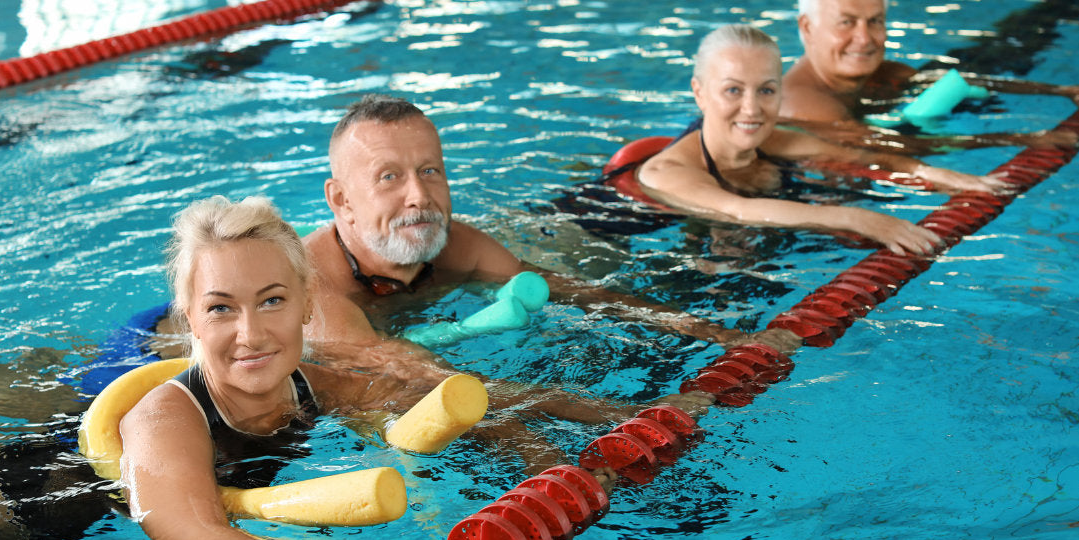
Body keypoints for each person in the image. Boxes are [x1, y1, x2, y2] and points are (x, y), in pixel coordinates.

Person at [118, 195, 493, 540]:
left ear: (307, 303)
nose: (252, 335)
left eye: (272, 300)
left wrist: (546, 434)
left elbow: (424, 401)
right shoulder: (163, 421)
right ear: (190, 318)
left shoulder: (314, 385)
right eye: (220, 308)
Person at [302, 94, 797, 390]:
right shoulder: (313, 292)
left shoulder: (457, 246)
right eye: (388, 177)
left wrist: (722, 336)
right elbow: (422, 380)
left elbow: (576, 293)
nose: (419, 196)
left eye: (430, 171)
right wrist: (603, 416)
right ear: (341, 200)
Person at [635, 24, 1007, 256]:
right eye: (732, 90)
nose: (752, 109)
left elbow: (860, 157)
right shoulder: (669, 171)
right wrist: (857, 219)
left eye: (766, 91)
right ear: (699, 93)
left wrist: (940, 176)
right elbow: (738, 210)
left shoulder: (773, 141)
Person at [781, 0, 1079, 152]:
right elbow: (885, 148)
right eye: (846, 23)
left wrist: (1068, 91)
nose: (865, 38)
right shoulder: (804, 103)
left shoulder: (881, 73)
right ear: (807, 28)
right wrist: (1019, 139)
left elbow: (956, 80)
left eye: (875, 21)